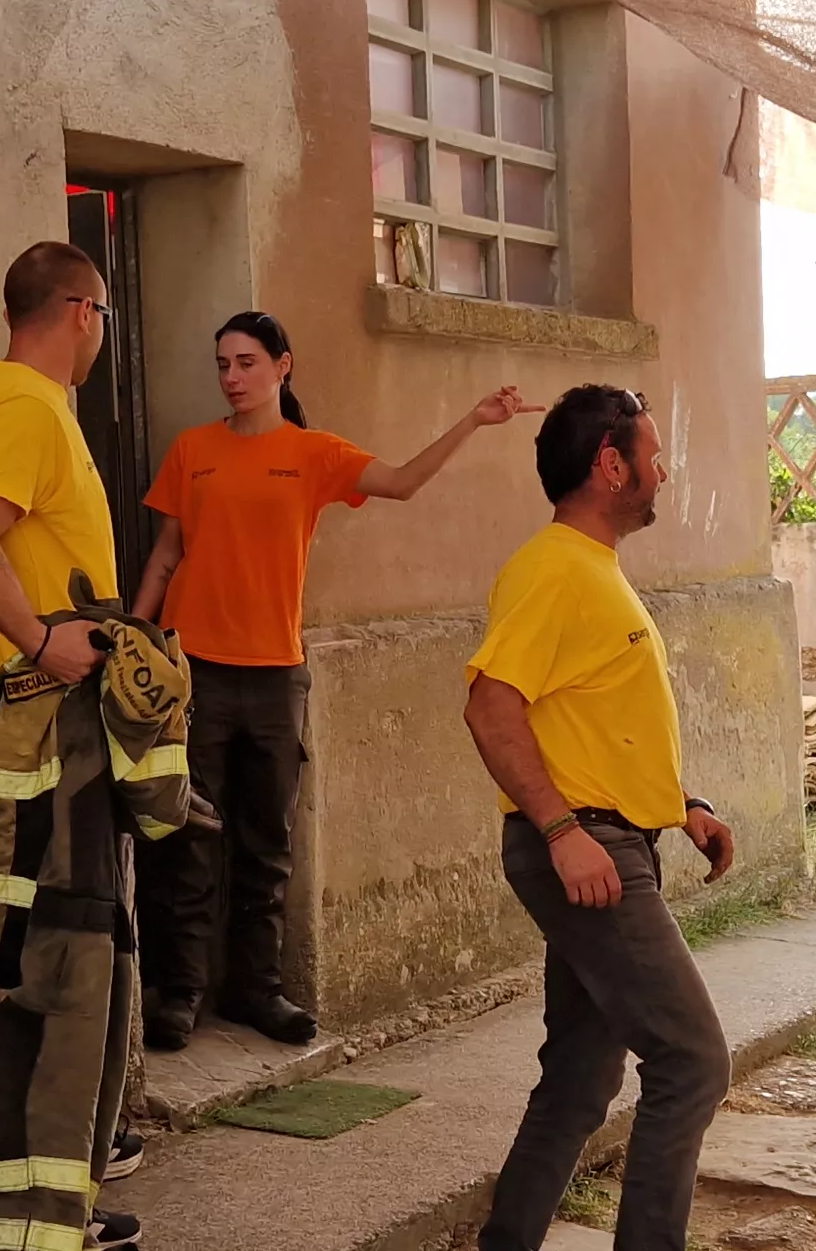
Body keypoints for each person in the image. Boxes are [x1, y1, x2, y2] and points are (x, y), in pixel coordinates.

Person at [450, 384, 763, 1251]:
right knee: (692, 1062)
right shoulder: (555, 572)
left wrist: (683, 803)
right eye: (653, 451)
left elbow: (594, 722)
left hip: (611, 838)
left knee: (582, 1076)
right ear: (610, 465)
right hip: (585, 857)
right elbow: (491, 707)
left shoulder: (591, 573)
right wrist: (561, 830)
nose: (665, 468)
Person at [127, 309, 527, 1050]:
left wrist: (474, 419)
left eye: (246, 362)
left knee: (266, 841)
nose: (232, 377)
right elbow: (164, 557)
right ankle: (177, 993)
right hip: (194, 673)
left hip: (277, 676)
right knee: (185, 837)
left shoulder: (313, 454)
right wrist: (135, 643)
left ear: (284, 366)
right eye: (222, 364)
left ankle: (256, 990)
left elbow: (403, 482)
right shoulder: (193, 452)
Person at [0, 241, 148, 1251]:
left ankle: (42, 1227)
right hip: (38, 730)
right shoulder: (23, 401)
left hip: (21, 728)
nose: (102, 333)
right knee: (75, 981)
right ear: (79, 311)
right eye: (102, 314)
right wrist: (44, 641)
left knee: (48, 971)